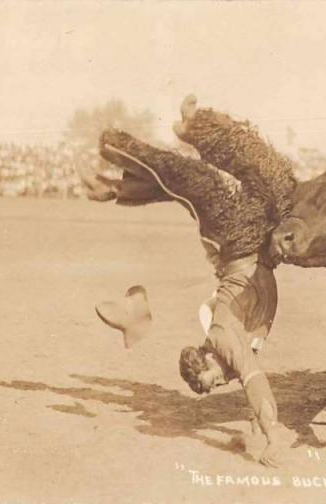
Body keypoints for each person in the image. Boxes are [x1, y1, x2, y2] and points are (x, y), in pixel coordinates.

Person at [82, 95, 297, 466]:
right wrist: (254, 433)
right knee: (275, 183)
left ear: (208, 360)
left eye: (213, 381)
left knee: (201, 184)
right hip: (254, 245)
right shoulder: (239, 346)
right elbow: (252, 384)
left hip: (236, 242)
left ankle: (121, 146)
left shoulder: (223, 341)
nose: (220, 383)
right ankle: (129, 178)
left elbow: (255, 384)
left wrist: (272, 436)